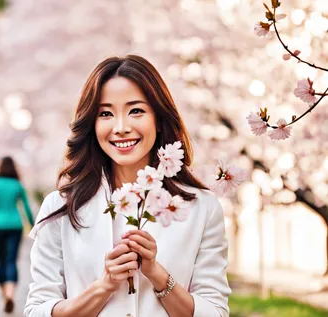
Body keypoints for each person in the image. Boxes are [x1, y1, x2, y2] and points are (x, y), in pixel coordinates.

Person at [24, 55, 231, 317]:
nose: (121, 128)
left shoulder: (201, 208)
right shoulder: (62, 208)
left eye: (136, 110)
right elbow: (37, 311)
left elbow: (215, 312)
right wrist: (104, 286)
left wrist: (156, 274)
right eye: (106, 113)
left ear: (158, 118)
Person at [0, 155, 34, 314]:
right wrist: (33, 224)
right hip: (15, 225)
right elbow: (26, 207)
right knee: (11, 260)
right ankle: (11, 293)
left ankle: (6, 296)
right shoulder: (17, 185)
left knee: (1, 261)